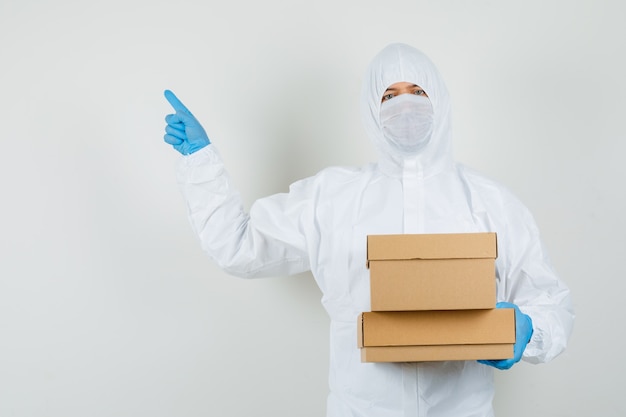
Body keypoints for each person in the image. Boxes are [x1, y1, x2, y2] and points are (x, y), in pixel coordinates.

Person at [162, 43, 574, 417]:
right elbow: (240, 246)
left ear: (440, 100)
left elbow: (551, 302)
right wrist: (201, 163)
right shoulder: (332, 198)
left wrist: (529, 330)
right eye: (389, 96)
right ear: (371, 111)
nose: (405, 106)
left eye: (418, 91)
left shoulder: (491, 203)